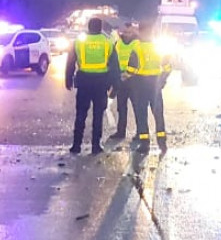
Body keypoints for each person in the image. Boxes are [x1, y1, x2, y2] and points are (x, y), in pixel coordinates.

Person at [66, 17, 119, 154]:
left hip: (84, 82)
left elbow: (71, 61)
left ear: (89, 27)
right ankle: (96, 146)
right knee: (98, 116)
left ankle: (76, 145)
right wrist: (115, 85)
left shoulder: (79, 41)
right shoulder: (107, 42)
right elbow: (114, 66)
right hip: (101, 83)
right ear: (100, 27)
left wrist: (68, 79)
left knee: (81, 115)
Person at [125, 20, 173, 153]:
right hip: (155, 85)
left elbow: (131, 69)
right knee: (158, 113)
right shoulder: (160, 47)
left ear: (140, 32)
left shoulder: (137, 48)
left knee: (141, 114)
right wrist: (162, 80)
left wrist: (124, 77)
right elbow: (168, 67)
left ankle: (145, 143)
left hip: (140, 85)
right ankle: (162, 143)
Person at [109, 22, 138, 141]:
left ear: (133, 31)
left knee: (137, 108)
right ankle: (121, 132)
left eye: (129, 32)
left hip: (134, 79)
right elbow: (113, 60)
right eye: (125, 32)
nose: (127, 34)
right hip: (121, 78)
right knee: (121, 107)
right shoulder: (118, 43)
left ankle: (140, 132)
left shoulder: (138, 43)